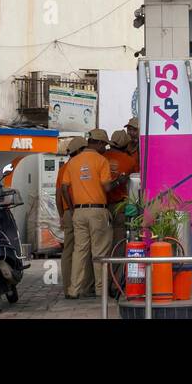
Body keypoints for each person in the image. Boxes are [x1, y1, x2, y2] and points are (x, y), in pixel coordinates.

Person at [61, 128, 128, 299]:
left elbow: (64, 188)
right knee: (100, 252)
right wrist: (119, 181)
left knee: (79, 251)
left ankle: (73, 289)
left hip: (79, 212)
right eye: (104, 145)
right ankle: (100, 290)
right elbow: (106, 187)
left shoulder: (73, 162)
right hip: (98, 210)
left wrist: (72, 207)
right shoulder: (101, 160)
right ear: (97, 143)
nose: (105, 148)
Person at [56, 135, 82, 294]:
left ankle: (67, 287)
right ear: (79, 151)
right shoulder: (79, 166)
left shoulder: (63, 169)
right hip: (77, 210)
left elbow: (58, 194)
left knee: (68, 251)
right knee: (82, 250)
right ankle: (81, 286)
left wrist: (62, 215)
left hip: (67, 212)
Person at [105, 129, 137, 255]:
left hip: (103, 206)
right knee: (118, 242)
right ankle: (115, 274)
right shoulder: (129, 161)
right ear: (125, 144)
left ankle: (102, 273)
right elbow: (136, 180)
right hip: (120, 207)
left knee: (103, 243)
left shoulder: (101, 157)